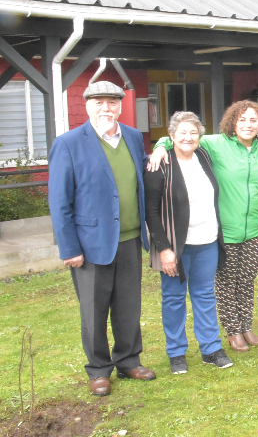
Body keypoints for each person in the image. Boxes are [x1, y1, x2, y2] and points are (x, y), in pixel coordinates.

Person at [150, 100, 258, 352]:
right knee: (226, 283)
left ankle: (246, 327)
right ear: (233, 122)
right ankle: (233, 331)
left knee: (246, 281)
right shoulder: (215, 144)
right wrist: (159, 147)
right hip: (225, 229)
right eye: (242, 119)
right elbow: (184, 138)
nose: (247, 124)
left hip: (255, 229)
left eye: (253, 120)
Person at [48, 81, 156, 397]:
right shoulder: (68, 143)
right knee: (94, 311)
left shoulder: (134, 138)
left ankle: (128, 361)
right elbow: (59, 202)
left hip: (130, 239)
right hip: (90, 245)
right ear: (87, 106)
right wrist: (69, 248)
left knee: (128, 307)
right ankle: (98, 370)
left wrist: (161, 146)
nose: (105, 108)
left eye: (111, 102)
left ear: (121, 106)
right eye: (98, 102)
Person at [144, 112, 232, 373]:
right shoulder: (160, 164)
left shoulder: (203, 156)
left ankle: (210, 348)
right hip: (176, 246)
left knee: (205, 295)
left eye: (193, 132)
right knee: (173, 297)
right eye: (182, 132)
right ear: (171, 136)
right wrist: (164, 249)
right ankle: (176, 352)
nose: (188, 137)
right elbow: (151, 211)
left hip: (207, 241)